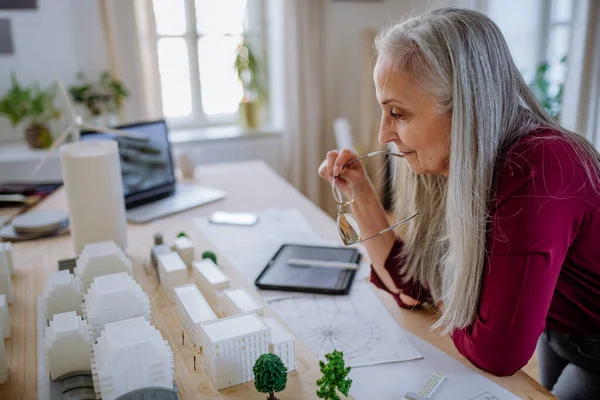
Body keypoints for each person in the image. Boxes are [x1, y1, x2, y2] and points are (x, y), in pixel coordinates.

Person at [318, 8, 600, 400]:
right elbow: (417, 281)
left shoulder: (539, 168)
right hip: (562, 325)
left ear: (464, 107)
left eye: (397, 112)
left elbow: (498, 351)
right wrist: (361, 195)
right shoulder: (457, 163)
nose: (384, 134)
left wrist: (446, 295)